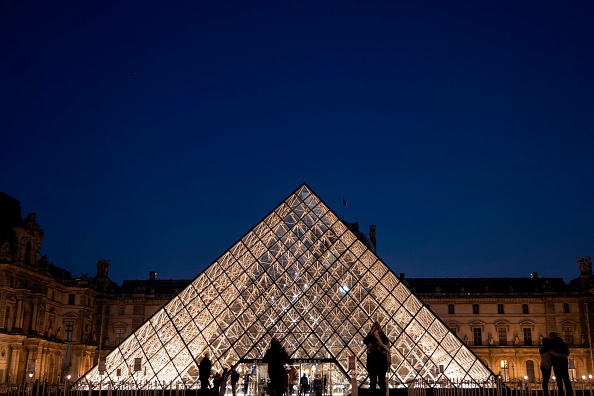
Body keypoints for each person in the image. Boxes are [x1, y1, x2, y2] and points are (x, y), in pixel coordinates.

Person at [364, 322, 390, 396]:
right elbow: (365, 341)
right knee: (373, 382)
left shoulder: (382, 335)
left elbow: (386, 341)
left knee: (381, 382)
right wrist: (371, 332)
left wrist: (380, 331)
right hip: (373, 362)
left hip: (380, 362)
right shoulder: (371, 335)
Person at [549, 332, 572, 396]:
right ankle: (569, 393)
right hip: (563, 361)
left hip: (556, 362)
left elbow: (551, 352)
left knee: (558, 379)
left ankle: (561, 393)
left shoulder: (551, 343)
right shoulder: (562, 343)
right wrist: (564, 355)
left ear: (552, 336)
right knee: (566, 378)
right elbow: (567, 352)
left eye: (550, 336)